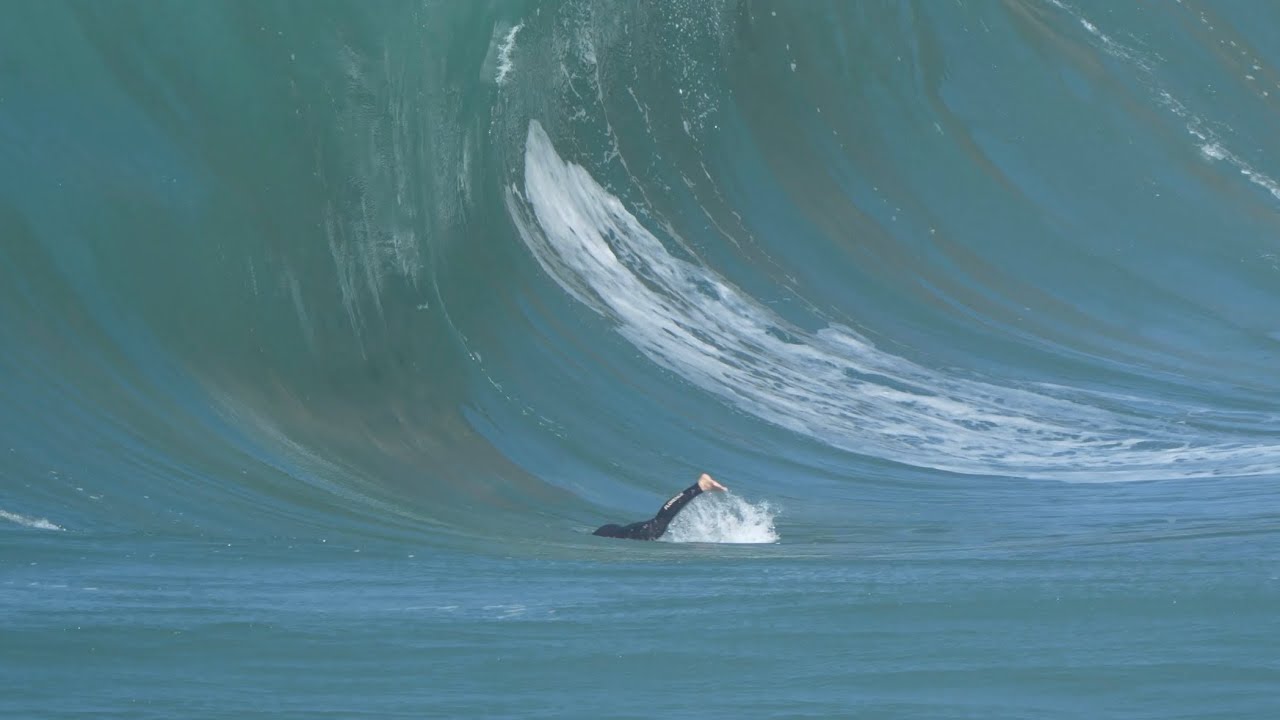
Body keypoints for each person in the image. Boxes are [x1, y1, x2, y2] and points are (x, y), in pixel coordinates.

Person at [593, 473, 728, 540]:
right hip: (614, 532)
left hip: (618, 533)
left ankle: (700, 486)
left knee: (657, 526)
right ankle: (700, 486)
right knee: (658, 527)